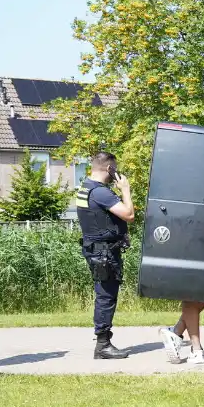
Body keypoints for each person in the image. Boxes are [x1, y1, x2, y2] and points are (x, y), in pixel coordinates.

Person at [76, 151, 134, 359]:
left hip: (97, 249)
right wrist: (125, 190)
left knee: (104, 294)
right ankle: (103, 345)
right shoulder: (101, 193)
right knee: (106, 296)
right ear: (109, 168)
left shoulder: (86, 187)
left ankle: (103, 342)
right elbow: (129, 215)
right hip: (104, 252)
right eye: (114, 169)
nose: (115, 173)